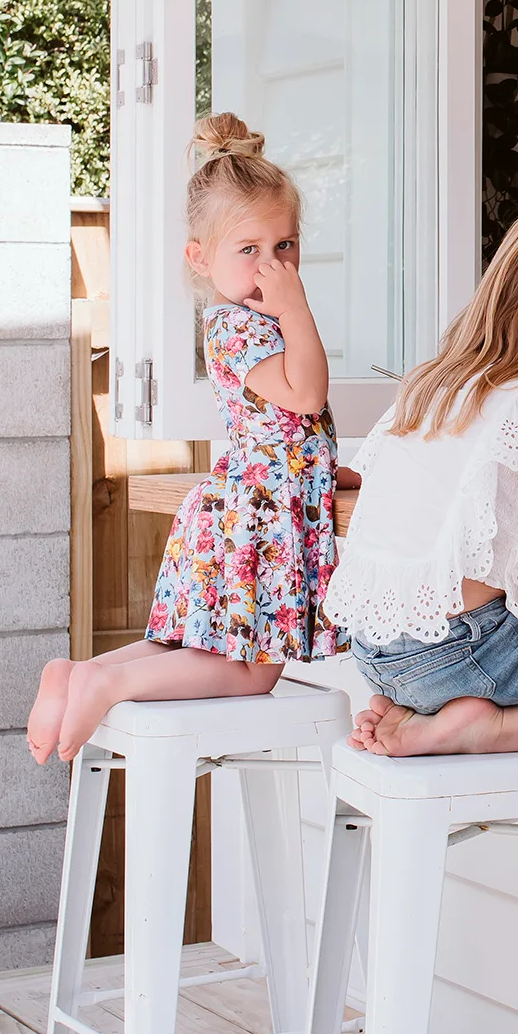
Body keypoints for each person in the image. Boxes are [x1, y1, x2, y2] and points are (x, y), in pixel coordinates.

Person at [26, 114, 348, 764]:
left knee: (196, 652)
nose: (274, 266)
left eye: (284, 246)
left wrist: (327, 469)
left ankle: (81, 673)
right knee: (254, 672)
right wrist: (298, 309)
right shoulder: (242, 328)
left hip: (253, 499)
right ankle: (105, 681)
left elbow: (291, 424)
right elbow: (308, 393)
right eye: (249, 250)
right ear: (200, 259)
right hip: (256, 517)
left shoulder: (254, 323)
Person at [326, 204, 518, 757]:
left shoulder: (435, 386)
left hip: (377, 656)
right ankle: (491, 729)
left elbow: (369, 469)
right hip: (463, 653)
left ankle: (429, 711)